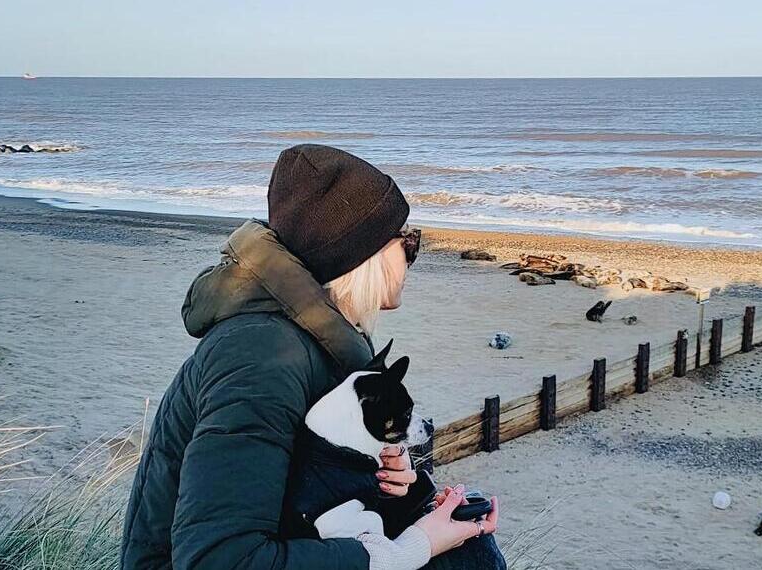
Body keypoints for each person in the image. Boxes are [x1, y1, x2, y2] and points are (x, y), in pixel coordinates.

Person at [120, 144, 506, 569]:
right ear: (365, 254)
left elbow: (297, 484)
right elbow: (220, 558)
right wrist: (411, 548)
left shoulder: (322, 342)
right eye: (408, 241)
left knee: (467, 544)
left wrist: (398, 484)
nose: (412, 255)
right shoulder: (261, 357)